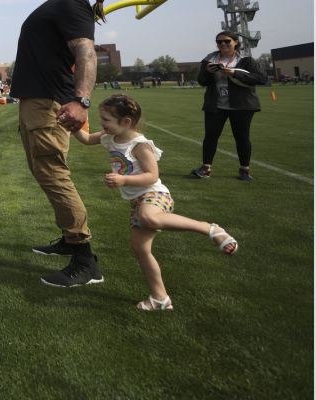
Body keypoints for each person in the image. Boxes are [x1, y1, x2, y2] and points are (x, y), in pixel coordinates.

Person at [73, 94, 239, 310]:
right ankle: (159, 298)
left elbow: (152, 175)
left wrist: (123, 179)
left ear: (126, 122)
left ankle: (210, 229)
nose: (102, 125)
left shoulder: (139, 145)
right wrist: (73, 125)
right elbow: (86, 139)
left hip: (155, 195)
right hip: (137, 201)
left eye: (106, 120)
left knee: (148, 216)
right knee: (140, 249)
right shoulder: (108, 137)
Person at [12, 0, 109, 288]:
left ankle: (84, 259)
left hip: (48, 103)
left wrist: (81, 101)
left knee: (54, 175)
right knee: (45, 172)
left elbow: (85, 51)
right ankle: (70, 239)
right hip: (35, 101)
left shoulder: (72, 4)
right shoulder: (59, 4)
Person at [191, 30, 268, 181]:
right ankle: (206, 168)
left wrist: (234, 73)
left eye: (227, 41)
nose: (223, 44)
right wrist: (207, 72)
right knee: (211, 136)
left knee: (242, 137)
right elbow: (202, 81)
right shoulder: (209, 59)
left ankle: (244, 170)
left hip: (242, 105)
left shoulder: (246, 59)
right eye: (219, 42)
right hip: (216, 105)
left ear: (236, 42)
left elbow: (261, 78)